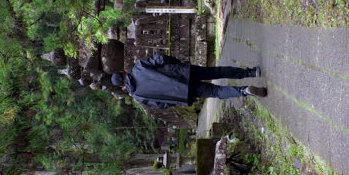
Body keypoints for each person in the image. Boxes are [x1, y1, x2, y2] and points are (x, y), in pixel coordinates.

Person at [111, 54, 267, 109]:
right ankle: (251, 72)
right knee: (216, 72)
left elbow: (161, 105)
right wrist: (177, 64)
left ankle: (244, 91)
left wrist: (176, 99)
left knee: (215, 92)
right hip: (183, 73)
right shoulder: (138, 67)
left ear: (123, 86)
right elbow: (160, 58)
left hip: (182, 93)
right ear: (124, 72)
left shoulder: (138, 96)